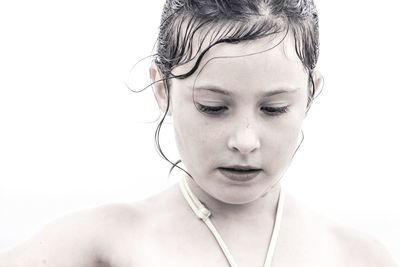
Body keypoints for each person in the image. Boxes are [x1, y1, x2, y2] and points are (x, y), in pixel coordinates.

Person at [0, 0, 397, 266]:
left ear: (310, 95)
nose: (245, 140)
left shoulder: (358, 257)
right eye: (213, 107)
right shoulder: (96, 246)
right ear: (162, 89)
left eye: (274, 108)